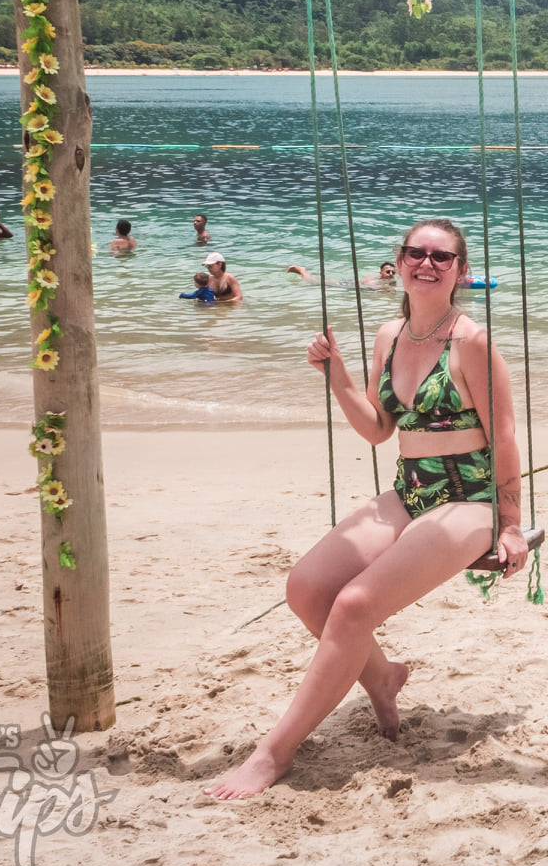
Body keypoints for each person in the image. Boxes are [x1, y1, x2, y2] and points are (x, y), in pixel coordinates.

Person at [206, 218, 529, 800]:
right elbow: (379, 429)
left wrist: (510, 526)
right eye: (415, 253)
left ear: (461, 271)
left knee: (353, 606)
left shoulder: (472, 342)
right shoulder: (388, 335)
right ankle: (382, 676)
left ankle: (273, 753)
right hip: (411, 490)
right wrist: (337, 376)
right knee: (307, 589)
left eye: (441, 257)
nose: (426, 263)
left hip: (467, 499)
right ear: (400, 261)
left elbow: (504, 437)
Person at [284, 261, 398, 288]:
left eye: (393, 272)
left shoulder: (391, 282)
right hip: (347, 284)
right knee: (316, 282)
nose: (391, 274)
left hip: (350, 284)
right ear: (381, 273)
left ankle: (304, 273)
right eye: (388, 271)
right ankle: (302, 271)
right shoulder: (374, 280)